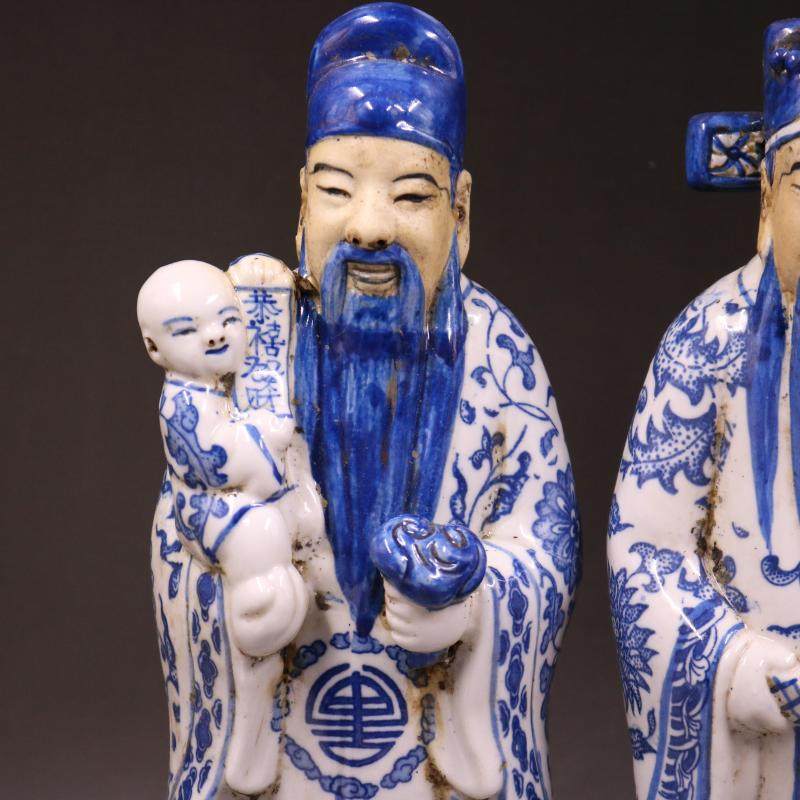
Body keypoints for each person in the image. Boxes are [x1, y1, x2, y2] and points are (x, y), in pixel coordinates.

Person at [147, 6, 580, 799]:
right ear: (302, 202)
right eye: (336, 191)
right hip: (289, 743)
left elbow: (546, 545)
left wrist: (470, 609)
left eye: (410, 196)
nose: (369, 227)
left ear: (460, 212)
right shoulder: (252, 338)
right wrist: (243, 595)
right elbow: (185, 524)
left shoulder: (500, 354)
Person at [609, 19, 800, 800]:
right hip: (763, 718)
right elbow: (643, 550)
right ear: (767, 200)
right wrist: (740, 665)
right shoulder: (708, 339)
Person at [140, 258, 309, 797]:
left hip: (226, 501)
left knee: (273, 526)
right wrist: (263, 436)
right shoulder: (181, 402)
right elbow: (213, 464)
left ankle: (268, 610)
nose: (214, 336)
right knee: (257, 532)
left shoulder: (211, 392)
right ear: (155, 349)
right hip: (204, 512)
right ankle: (259, 615)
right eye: (187, 331)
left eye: (228, 320)